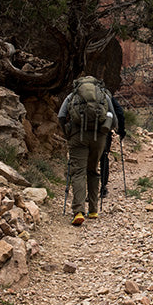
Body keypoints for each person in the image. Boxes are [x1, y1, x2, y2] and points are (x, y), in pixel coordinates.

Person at [57, 76, 117, 226]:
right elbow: (114, 120)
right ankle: (93, 210)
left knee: (78, 172)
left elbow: (61, 116)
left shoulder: (73, 95)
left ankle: (78, 211)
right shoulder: (103, 95)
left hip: (78, 136)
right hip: (99, 138)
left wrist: (67, 133)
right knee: (93, 170)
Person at [99, 94, 126, 199]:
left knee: (87, 160)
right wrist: (120, 130)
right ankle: (103, 187)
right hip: (103, 133)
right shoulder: (105, 94)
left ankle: (87, 191)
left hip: (83, 133)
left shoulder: (78, 93)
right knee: (103, 158)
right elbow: (119, 113)